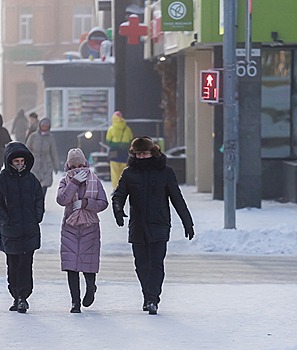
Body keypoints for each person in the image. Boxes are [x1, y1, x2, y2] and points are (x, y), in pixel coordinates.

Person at [112, 136, 195, 315]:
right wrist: (118, 210)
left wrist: (187, 221)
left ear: (153, 152)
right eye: (138, 154)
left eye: (145, 153)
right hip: (138, 225)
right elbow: (119, 195)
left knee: (156, 264)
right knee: (141, 264)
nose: (141, 157)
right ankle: (147, 295)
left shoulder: (165, 172)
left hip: (159, 224)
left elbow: (177, 198)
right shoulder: (129, 173)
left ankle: (153, 299)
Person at [0, 141, 45, 314]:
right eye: (16, 162)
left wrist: (37, 217)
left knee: (26, 265)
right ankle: (16, 295)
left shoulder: (31, 179)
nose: (20, 165)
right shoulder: (1, 180)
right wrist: (6, 218)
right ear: (9, 162)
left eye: (22, 161)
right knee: (13, 264)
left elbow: (39, 199)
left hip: (29, 229)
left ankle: (23, 297)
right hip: (10, 230)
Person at [56, 148, 108, 313]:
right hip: (70, 227)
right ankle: (75, 302)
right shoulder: (65, 181)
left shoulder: (94, 180)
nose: (77, 169)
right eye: (73, 166)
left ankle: (91, 288)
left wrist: (86, 204)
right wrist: (74, 183)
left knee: (88, 263)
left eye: (80, 165)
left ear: (85, 164)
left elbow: (103, 203)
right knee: (71, 265)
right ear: (68, 167)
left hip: (89, 226)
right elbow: (62, 199)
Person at [26, 117, 59, 197]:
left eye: (46, 126)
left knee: (44, 185)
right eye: (43, 125)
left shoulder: (50, 138)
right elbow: (27, 149)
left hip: (46, 164)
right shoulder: (33, 136)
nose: (44, 127)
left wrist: (56, 165)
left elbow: (53, 152)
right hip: (34, 163)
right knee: (35, 185)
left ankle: (41, 203)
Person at [105, 111, 133, 190]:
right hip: (124, 152)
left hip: (114, 151)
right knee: (123, 170)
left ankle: (115, 187)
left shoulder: (111, 129)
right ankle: (123, 186)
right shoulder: (127, 129)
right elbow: (131, 139)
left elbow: (108, 141)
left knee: (114, 170)